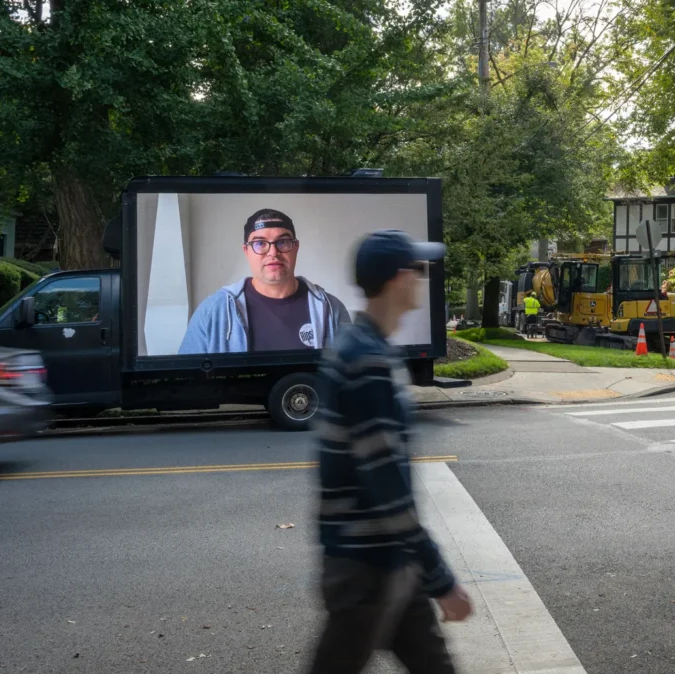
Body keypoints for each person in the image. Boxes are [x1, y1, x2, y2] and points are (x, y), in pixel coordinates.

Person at [310, 229, 472, 673]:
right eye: (417, 271)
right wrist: (442, 580)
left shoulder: (362, 349)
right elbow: (388, 488)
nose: (422, 280)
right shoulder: (369, 362)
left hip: (384, 560)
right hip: (368, 567)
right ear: (399, 278)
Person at [178, 208, 351, 354]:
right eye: (260, 243)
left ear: (296, 247)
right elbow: (186, 380)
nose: (273, 253)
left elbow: (350, 377)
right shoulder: (214, 311)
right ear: (246, 250)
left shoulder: (332, 309)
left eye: (282, 242)